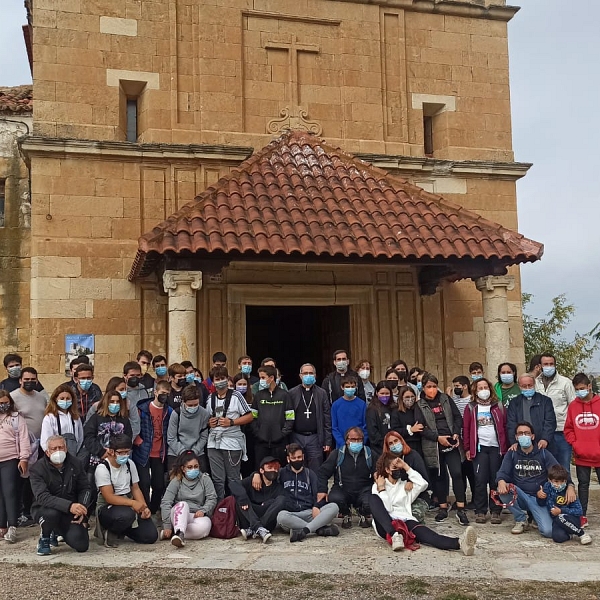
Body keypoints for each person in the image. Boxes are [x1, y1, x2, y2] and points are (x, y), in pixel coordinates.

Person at [370, 453, 477, 555]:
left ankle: (460, 543)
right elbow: (387, 508)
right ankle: (394, 536)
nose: (398, 470)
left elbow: (423, 484)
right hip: (386, 525)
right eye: (395, 467)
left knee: (429, 536)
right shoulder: (378, 486)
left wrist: (406, 467)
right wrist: (381, 488)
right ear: (387, 470)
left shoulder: (405, 485)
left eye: (399, 467)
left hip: (405, 520)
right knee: (373, 498)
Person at [496, 421, 577, 537]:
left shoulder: (543, 453)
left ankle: (535, 516)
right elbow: (502, 472)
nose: (524, 436)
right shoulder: (512, 453)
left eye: (527, 433)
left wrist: (570, 486)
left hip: (539, 498)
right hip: (520, 495)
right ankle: (521, 519)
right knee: (503, 488)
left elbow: (559, 472)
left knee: (548, 531)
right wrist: (501, 481)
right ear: (516, 437)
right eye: (520, 433)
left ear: (532, 436)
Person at [413, 373, 469, 525]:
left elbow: (458, 417)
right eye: (428, 387)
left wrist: (456, 433)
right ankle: (442, 507)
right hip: (434, 444)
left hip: (452, 441)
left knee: (457, 473)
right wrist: (437, 438)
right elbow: (420, 427)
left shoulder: (445, 399)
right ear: (423, 388)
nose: (432, 389)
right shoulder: (419, 405)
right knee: (439, 475)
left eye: (434, 386)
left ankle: (461, 507)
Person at [30, 434, 91, 555]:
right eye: (54, 448)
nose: (58, 451)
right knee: (52, 513)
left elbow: (86, 488)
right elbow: (42, 497)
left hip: (70, 511)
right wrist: (69, 506)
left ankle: (57, 530)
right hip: (45, 510)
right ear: (47, 452)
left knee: (82, 545)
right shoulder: (37, 469)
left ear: (66, 449)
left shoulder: (76, 463)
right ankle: (45, 537)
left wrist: (82, 508)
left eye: (61, 447)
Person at [95, 434, 158, 546]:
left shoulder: (130, 464)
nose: (124, 455)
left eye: (127, 452)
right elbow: (109, 497)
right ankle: (109, 532)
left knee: (151, 536)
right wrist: (133, 503)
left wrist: (143, 507)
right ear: (111, 451)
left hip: (128, 503)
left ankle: (124, 530)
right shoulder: (103, 468)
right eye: (121, 452)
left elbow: (135, 488)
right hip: (109, 507)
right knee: (126, 514)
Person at [462, 377, 508, 524]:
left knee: (495, 480)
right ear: (475, 391)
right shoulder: (471, 407)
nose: (483, 390)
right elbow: (467, 428)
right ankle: (480, 511)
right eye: (480, 388)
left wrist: (506, 447)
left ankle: (495, 510)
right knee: (480, 480)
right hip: (480, 449)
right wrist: (467, 448)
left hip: (496, 448)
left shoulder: (498, 406)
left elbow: (505, 426)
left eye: (485, 387)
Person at [206, 366, 253, 500]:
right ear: (213, 382)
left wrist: (232, 422)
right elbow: (207, 418)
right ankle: (220, 510)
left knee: (233, 480)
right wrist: (211, 422)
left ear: (227, 379)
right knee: (217, 480)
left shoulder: (236, 396)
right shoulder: (210, 398)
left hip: (232, 442)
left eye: (223, 378)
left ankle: (237, 510)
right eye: (217, 379)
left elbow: (249, 416)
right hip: (214, 443)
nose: (220, 381)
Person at [276, 443, 340, 542]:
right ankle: (318, 529)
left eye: (299, 457)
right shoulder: (281, 473)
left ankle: (303, 531)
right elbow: (266, 479)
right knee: (281, 516)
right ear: (288, 459)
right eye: (294, 458)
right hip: (291, 515)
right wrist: (255, 475)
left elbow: (319, 495)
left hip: (309, 513)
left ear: (303, 457)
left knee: (334, 507)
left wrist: (317, 506)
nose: (297, 460)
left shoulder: (310, 474)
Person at [317, 427, 374, 529]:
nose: (356, 442)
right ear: (347, 440)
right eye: (353, 439)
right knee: (334, 498)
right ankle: (346, 513)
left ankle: (362, 513)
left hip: (364, 489)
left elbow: (379, 472)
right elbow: (322, 472)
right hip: (342, 488)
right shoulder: (337, 454)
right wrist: (322, 490)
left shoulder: (369, 454)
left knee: (372, 501)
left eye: (359, 439)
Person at [10, 366, 46, 527]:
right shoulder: (13, 397)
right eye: (27, 379)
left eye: (33, 379)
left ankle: (31, 512)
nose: (30, 382)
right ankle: (18, 513)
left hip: (39, 446)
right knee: (19, 481)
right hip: (21, 446)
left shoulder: (41, 397)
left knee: (35, 479)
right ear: (20, 380)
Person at [564, 372, 600, 528]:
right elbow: (568, 428)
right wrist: (575, 444)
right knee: (583, 485)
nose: (580, 392)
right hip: (581, 454)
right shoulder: (573, 406)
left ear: (589, 386)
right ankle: (582, 515)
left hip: (598, 453)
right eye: (577, 389)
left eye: (582, 388)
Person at [160, 450, 217, 548]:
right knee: (183, 504)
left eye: (196, 466)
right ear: (183, 468)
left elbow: (212, 498)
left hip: (196, 515)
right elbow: (166, 502)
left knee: (205, 527)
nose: (193, 470)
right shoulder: (177, 480)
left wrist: (203, 510)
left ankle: (176, 532)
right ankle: (179, 533)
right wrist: (167, 525)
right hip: (179, 514)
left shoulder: (205, 479)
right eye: (190, 467)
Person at [133, 380, 173, 515]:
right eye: (162, 393)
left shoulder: (170, 411)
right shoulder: (142, 409)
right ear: (155, 392)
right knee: (143, 483)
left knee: (159, 484)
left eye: (167, 394)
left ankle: (154, 509)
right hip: (143, 451)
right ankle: (145, 509)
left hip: (160, 453)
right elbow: (134, 424)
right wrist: (138, 440)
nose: (164, 396)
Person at [534, 353, 576, 471]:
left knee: (563, 468)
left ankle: (567, 489)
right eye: (546, 364)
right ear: (540, 366)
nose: (549, 366)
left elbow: (573, 406)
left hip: (561, 431)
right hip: (541, 432)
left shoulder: (565, 383)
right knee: (543, 468)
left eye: (551, 364)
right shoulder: (535, 383)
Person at [376, 430, 430, 522]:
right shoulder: (386, 460)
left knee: (413, 516)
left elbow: (424, 481)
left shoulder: (413, 456)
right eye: (390, 443)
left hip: (416, 494)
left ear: (401, 440)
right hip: (397, 496)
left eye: (396, 441)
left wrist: (411, 480)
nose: (394, 444)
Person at [230, 455, 286, 543]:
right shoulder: (252, 480)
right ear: (261, 470)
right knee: (240, 498)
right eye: (270, 467)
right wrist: (243, 498)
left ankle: (255, 528)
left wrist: (268, 502)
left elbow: (284, 502)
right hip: (249, 516)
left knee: (282, 499)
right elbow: (233, 484)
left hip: (267, 520)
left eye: (276, 468)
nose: (273, 470)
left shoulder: (278, 487)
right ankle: (258, 528)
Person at [288, 363, 331, 471]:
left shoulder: (321, 393)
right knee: (296, 468)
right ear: (300, 376)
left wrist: (327, 441)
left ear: (315, 376)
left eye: (311, 373)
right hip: (296, 436)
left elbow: (327, 418)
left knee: (316, 469)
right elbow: (287, 417)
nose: (308, 375)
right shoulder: (292, 393)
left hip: (315, 438)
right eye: (305, 373)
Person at [0, 390, 30, 543]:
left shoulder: (16, 418)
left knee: (9, 492)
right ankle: (1, 526)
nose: (3, 406)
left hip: (10, 459)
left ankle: (12, 525)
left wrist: (24, 458)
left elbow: (24, 439)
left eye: (5, 402)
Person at [251, 365, 295, 468]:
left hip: (279, 443)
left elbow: (290, 418)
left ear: (271, 378)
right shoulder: (258, 395)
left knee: (279, 470)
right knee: (261, 470)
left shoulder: (284, 395)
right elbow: (253, 417)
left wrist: (282, 434)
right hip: (261, 443)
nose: (260, 381)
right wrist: (258, 433)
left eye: (263, 378)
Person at [536, 464, 591, 545]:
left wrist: (561, 511)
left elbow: (579, 511)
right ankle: (571, 533)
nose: (559, 484)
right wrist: (540, 496)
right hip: (556, 520)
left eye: (562, 481)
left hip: (571, 518)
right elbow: (541, 504)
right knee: (558, 537)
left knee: (560, 517)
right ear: (550, 480)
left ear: (566, 480)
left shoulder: (569, 492)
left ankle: (582, 534)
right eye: (556, 481)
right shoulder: (547, 487)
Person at [83, 389, 133, 472]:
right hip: (98, 460)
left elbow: (128, 438)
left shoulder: (124, 420)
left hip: (118, 460)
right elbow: (88, 437)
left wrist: (120, 452)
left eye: (117, 402)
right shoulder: (96, 418)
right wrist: (101, 452)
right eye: (112, 401)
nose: (115, 404)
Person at [167, 384, 210, 473]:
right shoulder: (176, 414)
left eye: (196, 404)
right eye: (190, 405)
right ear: (183, 402)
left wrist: (194, 452)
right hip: (176, 452)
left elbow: (203, 437)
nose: (193, 407)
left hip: (197, 452)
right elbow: (171, 438)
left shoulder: (204, 414)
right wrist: (183, 453)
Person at [506, 374, 556, 449]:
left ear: (534, 384)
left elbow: (550, 422)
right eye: (524, 386)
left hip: (543, 444)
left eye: (530, 385)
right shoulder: (514, 403)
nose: (527, 388)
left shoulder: (545, 401)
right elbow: (511, 424)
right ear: (519, 386)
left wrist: (545, 439)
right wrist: (514, 442)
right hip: (521, 444)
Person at [40, 384, 85, 458]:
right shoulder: (50, 417)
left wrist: (76, 451)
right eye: (62, 398)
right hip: (56, 455)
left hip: (73, 454)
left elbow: (80, 437)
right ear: (55, 399)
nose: (65, 401)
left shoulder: (75, 417)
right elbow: (45, 440)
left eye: (68, 398)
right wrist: (52, 455)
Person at [451, 375, 475, 510]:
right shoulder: (454, 400)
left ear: (465, 386)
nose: (456, 389)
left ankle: (475, 498)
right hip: (457, 440)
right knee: (460, 471)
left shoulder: (471, 400)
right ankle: (462, 498)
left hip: (469, 440)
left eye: (457, 386)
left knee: (471, 471)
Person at [331, 374, 368, 449]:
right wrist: (342, 443)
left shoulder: (362, 404)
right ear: (342, 387)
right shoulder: (336, 405)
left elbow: (365, 426)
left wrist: (361, 441)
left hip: (359, 444)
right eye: (347, 387)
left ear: (356, 387)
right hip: (341, 446)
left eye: (352, 387)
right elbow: (334, 427)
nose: (350, 389)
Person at [367, 381, 398, 461]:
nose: (385, 396)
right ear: (377, 393)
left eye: (387, 393)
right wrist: (385, 444)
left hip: (395, 447)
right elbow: (372, 431)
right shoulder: (372, 410)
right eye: (382, 393)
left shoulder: (394, 407)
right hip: (378, 449)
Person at [393, 385, 423, 456]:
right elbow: (395, 430)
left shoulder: (418, 409)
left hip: (419, 444)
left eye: (412, 396)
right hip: (404, 444)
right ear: (401, 398)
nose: (410, 399)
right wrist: (411, 430)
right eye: (407, 397)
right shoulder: (396, 412)